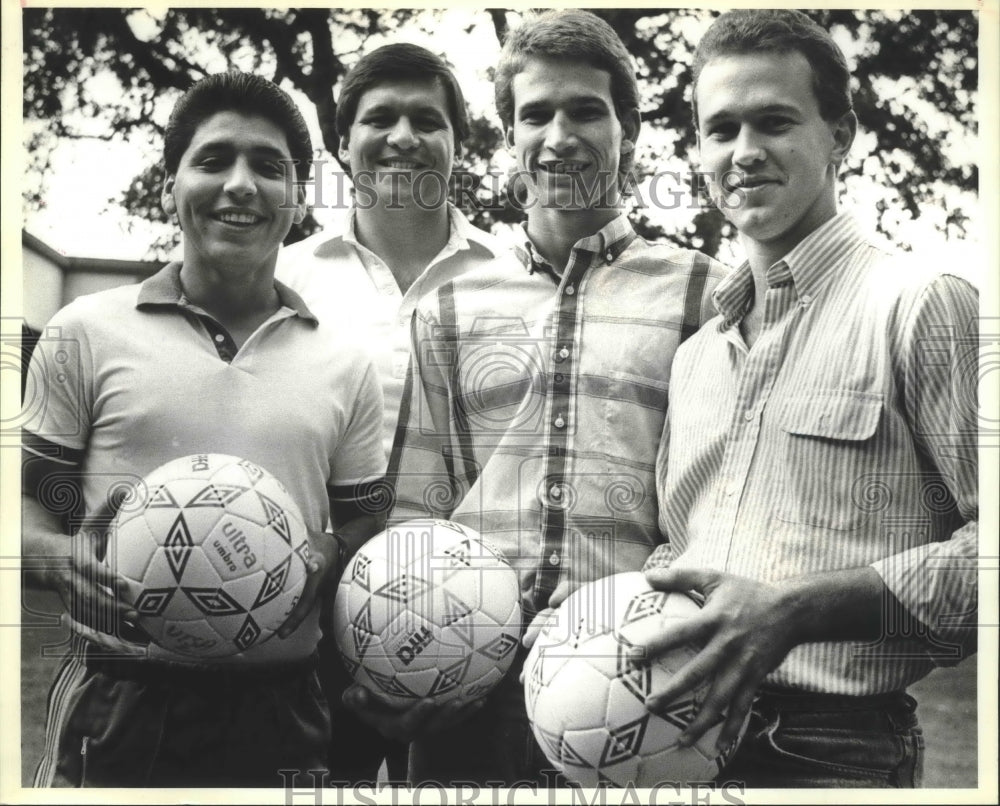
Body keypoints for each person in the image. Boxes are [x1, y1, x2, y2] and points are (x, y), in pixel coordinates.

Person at [348, 10, 727, 786]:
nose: (560, 134)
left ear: (629, 128)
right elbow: (420, 511)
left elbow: (720, 506)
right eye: (536, 114)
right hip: (469, 693)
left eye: (586, 110)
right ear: (510, 137)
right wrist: (398, 652)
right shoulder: (448, 308)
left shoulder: (705, 295)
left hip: (636, 684)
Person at [634, 9, 978, 788]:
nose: (744, 152)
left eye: (775, 122)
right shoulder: (696, 358)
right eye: (720, 129)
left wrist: (798, 610)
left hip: (834, 754)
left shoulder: (921, 303)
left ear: (841, 134)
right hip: (673, 744)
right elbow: (680, 554)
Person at [22, 71, 387, 787]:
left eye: (268, 166)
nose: (241, 185)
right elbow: (26, 509)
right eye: (214, 160)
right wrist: (51, 557)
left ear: (298, 199)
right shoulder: (83, 332)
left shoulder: (345, 363)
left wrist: (328, 550)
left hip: (282, 708)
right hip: (118, 700)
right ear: (170, 185)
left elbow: (364, 518)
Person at [275, 43, 522, 783]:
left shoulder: (516, 282)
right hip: (305, 617)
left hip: (469, 620)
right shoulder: (286, 278)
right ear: (343, 143)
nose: (404, 137)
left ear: (459, 144)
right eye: (379, 118)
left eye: (428, 119)